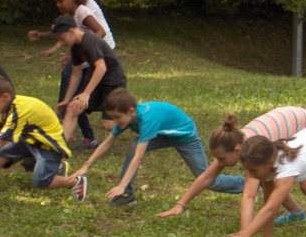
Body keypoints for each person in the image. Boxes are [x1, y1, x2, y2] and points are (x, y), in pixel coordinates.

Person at [157, 108, 306, 225]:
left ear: (237, 152)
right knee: (274, 177)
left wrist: (245, 231)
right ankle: (297, 213)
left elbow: (249, 196)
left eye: (222, 160)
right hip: (290, 122)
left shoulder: (251, 153)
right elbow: (206, 176)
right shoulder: (234, 143)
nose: (220, 165)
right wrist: (181, 203)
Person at [70, 88, 245, 207]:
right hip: (163, 133)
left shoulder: (147, 120)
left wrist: (121, 184)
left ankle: (247, 184)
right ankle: (128, 196)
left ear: (131, 111)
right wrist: (86, 165)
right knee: (133, 144)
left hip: (185, 137)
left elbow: (138, 158)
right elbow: (108, 142)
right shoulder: (126, 119)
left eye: (117, 117)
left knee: (206, 179)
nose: (115, 122)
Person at [0, 75, 86, 209]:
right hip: (30, 139)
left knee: (41, 182)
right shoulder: (6, 107)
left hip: (48, 145)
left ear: (5, 97)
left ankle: (75, 182)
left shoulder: (18, 111)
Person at [28, 0, 112, 150]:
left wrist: (88, 48)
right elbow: (65, 34)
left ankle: (113, 106)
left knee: (84, 97)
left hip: (102, 55)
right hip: (86, 55)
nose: (58, 5)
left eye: (61, 1)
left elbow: (100, 31)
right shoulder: (70, 15)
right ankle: (76, 132)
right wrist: (43, 38)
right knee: (75, 95)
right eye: (56, 2)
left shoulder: (82, 12)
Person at [45, 14, 127, 139]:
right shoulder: (75, 47)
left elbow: (101, 67)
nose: (61, 42)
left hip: (113, 81)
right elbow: (76, 73)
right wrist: (67, 100)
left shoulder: (89, 41)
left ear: (71, 31)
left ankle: (130, 111)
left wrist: (86, 93)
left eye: (62, 38)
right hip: (97, 81)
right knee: (73, 107)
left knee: (108, 125)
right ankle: (60, 146)